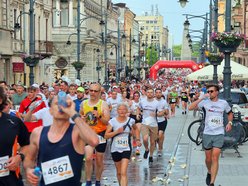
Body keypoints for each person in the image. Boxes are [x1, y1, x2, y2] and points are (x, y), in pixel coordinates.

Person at [24, 95, 99, 186]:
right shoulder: (38, 133)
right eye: (57, 104)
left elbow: (94, 141)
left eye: (65, 104)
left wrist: (73, 113)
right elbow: (29, 159)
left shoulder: (76, 132)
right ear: (50, 110)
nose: (61, 107)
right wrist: (29, 170)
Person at [189, 84, 233, 186]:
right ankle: (209, 171)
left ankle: (212, 182)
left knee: (215, 157)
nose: (209, 93)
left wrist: (229, 123)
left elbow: (230, 113)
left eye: (211, 91)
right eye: (208, 91)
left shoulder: (223, 103)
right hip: (207, 133)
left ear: (217, 92)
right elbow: (190, 108)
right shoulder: (205, 103)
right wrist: (201, 98)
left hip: (219, 133)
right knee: (208, 159)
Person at [79, 83, 110, 186]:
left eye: (95, 91)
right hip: (88, 133)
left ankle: (97, 181)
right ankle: (88, 181)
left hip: (100, 134)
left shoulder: (103, 104)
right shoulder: (84, 103)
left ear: (100, 92)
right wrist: (82, 119)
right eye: (91, 90)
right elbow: (80, 115)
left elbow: (106, 121)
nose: (92, 93)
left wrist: (99, 116)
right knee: (88, 158)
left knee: (99, 160)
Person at [104, 103, 141, 186]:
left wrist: (137, 139)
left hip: (126, 148)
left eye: (124, 109)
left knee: (123, 172)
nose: (122, 111)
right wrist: (117, 131)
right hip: (115, 149)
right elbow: (106, 136)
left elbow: (136, 129)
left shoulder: (131, 120)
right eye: (120, 109)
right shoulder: (112, 121)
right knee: (119, 172)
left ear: (127, 110)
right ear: (117, 111)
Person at [0, 86, 30, 186]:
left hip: (9, 180)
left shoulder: (14, 122)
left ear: (0, 100)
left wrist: (20, 157)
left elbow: (26, 145)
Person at [137, 87, 163, 163]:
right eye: (148, 92)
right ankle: (146, 149)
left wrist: (156, 114)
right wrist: (138, 114)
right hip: (144, 123)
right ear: (146, 93)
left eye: (151, 92)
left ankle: (151, 155)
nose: (150, 94)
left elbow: (161, 113)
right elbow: (138, 108)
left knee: (152, 142)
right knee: (145, 139)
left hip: (154, 124)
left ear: (153, 94)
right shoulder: (142, 101)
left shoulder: (156, 103)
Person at [155, 88, 169, 156]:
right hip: (154, 121)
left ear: (161, 93)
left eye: (159, 92)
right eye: (157, 92)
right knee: (156, 136)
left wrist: (164, 111)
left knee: (160, 134)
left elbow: (167, 112)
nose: (158, 94)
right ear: (155, 94)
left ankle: (160, 148)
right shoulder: (152, 101)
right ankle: (158, 145)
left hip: (162, 120)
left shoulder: (164, 101)